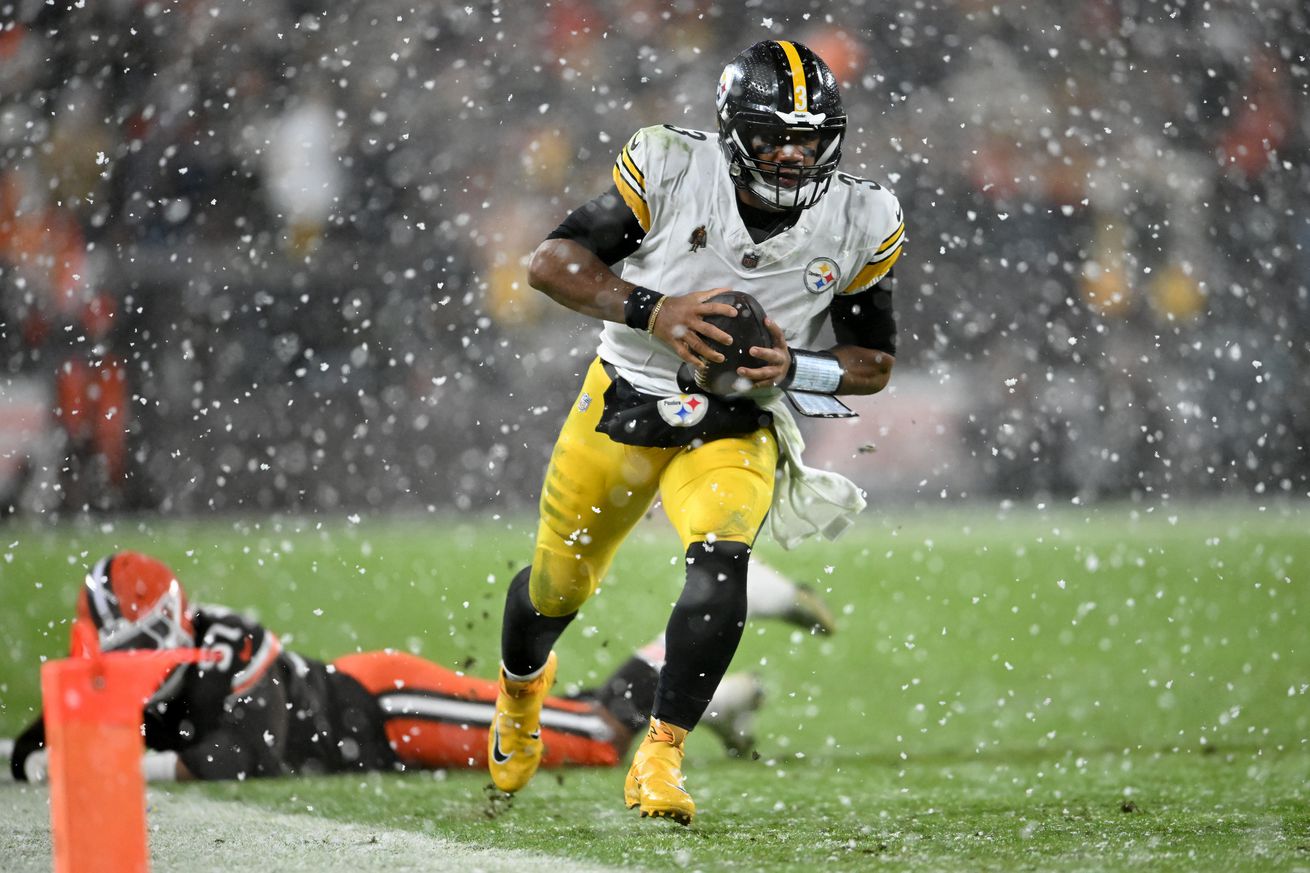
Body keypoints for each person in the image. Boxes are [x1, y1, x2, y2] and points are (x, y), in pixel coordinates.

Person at [490, 39, 904, 825]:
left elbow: (872, 362)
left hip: (736, 415)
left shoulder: (864, 214)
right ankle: (518, 695)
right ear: (731, 131)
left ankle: (661, 754)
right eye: (775, 134)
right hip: (628, 396)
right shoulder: (672, 166)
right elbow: (549, 264)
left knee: (721, 565)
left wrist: (794, 366)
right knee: (555, 589)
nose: (792, 153)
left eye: (808, 137)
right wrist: (658, 311)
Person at [10, 551, 835, 784]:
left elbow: (238, 755)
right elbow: (61, 724)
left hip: (386, 705)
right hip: (374, 717)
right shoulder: (161, 651)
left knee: (588, 734)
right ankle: (713, 699)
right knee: (581, 729)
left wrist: (103, 763)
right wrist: (39, 748)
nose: (117, 667)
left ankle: (713, 622)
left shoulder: (224, 654)